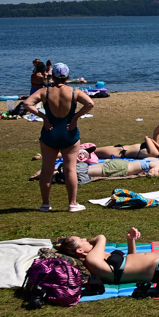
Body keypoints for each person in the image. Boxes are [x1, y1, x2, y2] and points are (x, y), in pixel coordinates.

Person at [28, 63, 95, 212]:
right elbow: (90, 103)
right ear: (68, 76)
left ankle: (45, 204)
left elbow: (28, 103)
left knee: (46, 169)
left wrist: (43, 117)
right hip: (69, 132)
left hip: (49, 132)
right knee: (70, 169)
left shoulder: (44, 92)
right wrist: (76, 117)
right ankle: (72, 203)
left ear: (53, 76)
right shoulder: (74, 92)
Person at [93, 114, 159, 159]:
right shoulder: (155, 148)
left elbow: (147, 138)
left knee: (90, 152)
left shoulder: (155, 153)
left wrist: (156, 144)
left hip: (119, 153)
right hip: (119, 148)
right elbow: (156, 133)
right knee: (91, 150)